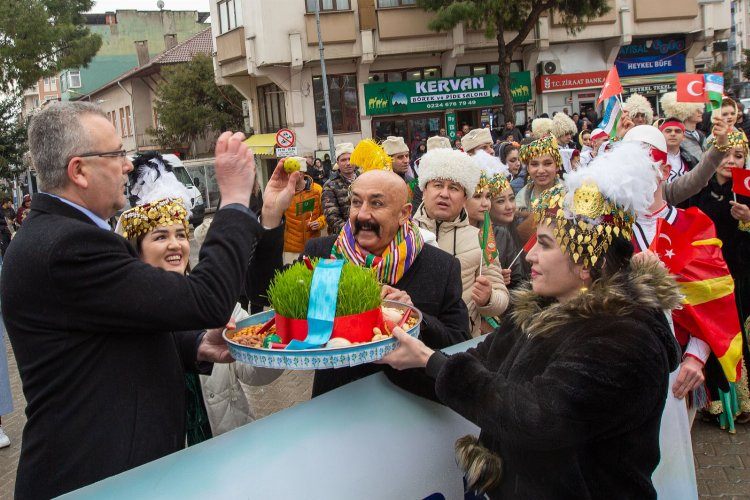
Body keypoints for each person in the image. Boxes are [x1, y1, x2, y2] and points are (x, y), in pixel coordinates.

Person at [0, 101, 298, 499]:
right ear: (79, 171)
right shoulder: (66, 245)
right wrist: (234, 201)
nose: (127, 165)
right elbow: (208, 300)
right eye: (116, 154)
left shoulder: (62, 235)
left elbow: (110, 341)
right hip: (96, 480)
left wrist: (196, 345)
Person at [381, 141, 682, 498]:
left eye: (545, 244)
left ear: (586, 263)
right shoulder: (540, 312)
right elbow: (474, 364)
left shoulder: (625, 338)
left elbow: (536, 417)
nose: (532, 256)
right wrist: (394, 347)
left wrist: (431, 362)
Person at [280, 169, 470, 397]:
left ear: (404, 213)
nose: (362, 215)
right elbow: (281, 306)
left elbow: (458, 342)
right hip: (336, 402)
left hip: (411, 404)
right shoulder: (320, 254)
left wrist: (415, 318)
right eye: (356, 202)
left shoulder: (441, 266)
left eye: (376, 204)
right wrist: (270, 220)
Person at [623, 124, 743, 428]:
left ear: (664, 170)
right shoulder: (608, 232)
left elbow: (714, 300)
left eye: (642, 167)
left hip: (679, 366)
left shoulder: (694, 226)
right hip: (624, 364)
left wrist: (696, 357)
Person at [414, 148, 509, 336]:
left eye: (454, 188)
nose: (444, 194)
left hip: (461, 342)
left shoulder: (478, 239)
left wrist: (488, 299)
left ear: (465, 197)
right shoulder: (403, 233)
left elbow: (501, 298)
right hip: (413, 342)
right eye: (438, 185)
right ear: (424, 190)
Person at [696, 130, 750, 425]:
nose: (730, 160)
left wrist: (747, 220)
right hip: (708, 277)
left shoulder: (747, 192)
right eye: (725, 153)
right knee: (713, 337)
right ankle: (716, 403)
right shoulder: (698, 192)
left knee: (740, 337)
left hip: (740, 278)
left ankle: (744, 402)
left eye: (738, 155)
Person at [282, 167, 326, 265]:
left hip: (313, 246)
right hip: (291, 248)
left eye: (292, 173)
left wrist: (320, 222)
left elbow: (326, 213)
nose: (289, 176)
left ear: (301, 174)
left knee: (311, 276)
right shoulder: (284, 192)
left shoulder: (317, 189)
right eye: (287, 173)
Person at [322, 142, 357, 234]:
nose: (348, 163)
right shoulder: (330, 185)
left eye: (350, 159)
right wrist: (352, 232)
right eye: (343, 160)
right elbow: (331, 216)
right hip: (343, 236)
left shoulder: (364, 179)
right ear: (337, 163)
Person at [660, 91, 706, 162]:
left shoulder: (701, 135)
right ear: (686, 111)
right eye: (696, 110)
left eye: (700, 109)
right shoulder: (676, 138)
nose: (701, 112)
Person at [382, 136, 422, 211]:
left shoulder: (412, 182)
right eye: (400, 157)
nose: (406, 160)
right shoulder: (380, 184)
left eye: (407, 156)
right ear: (388, 160)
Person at [660, 118, 698, 188]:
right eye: (668, 131)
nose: (673, 134)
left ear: (683, 137)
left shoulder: (692, 161)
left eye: (677, 131)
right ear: (661, 135)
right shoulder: (652, 159)